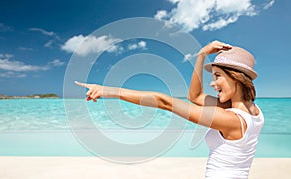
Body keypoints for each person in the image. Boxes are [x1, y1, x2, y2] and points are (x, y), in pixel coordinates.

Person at [75, 40, 264, 178]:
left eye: (217, 76)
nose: (213, 84)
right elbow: (195, 97)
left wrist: (107, 90)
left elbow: (163, 101)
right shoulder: (254, 112)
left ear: (236, 78)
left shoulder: (230, 119)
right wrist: (201, 56)